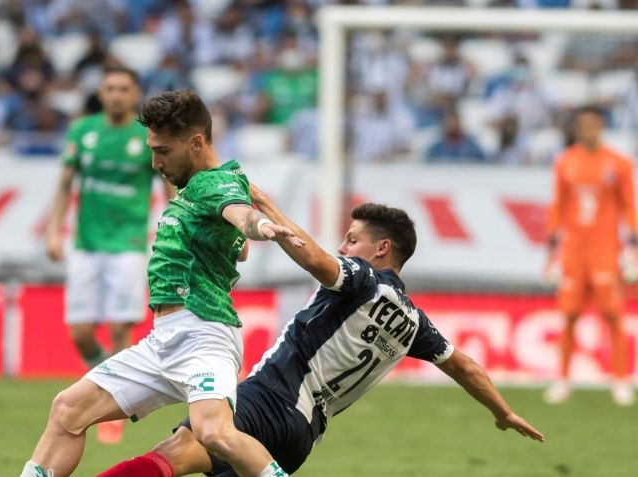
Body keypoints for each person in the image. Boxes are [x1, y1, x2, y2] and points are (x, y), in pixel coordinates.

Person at [97, 191, 545, 477]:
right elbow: (465, 366)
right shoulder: (413, 322)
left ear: (381, 249)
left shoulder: (363, 281)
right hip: (301, 437)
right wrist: (503, 412)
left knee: (174, 452)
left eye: (352, 239)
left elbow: (313, 258)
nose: (342, 248)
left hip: (269, 398)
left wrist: (264, 205)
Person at [19, 89, 304, 477]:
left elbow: (241, 215)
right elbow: (238, 247)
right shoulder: (202, 187)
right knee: (68, 409)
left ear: (196, 142)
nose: (155, 162)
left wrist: (260, 225)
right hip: (164, 340)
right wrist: (231, 238)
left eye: (163, 151)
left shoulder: (215, 182)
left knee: (214, 433)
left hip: (204, 335)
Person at [44, 65, 172, 444]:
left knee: (119, 327)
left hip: (128, 245)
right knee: (81, 333)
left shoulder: (145, 137)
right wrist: (53, 231)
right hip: (85, 244)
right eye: (110, 88)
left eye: (123, 89)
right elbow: (64, 185)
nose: (116, 95)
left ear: (135, 94)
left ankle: (110, 410)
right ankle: (105, 383)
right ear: (101, 93)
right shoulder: (83, 131)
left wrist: (173, 230)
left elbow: (167, 189)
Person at [543, 105, 637, 406]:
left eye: (591, 125)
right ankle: (562, 379)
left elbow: (628, 204)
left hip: (605, 250)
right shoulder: (566, 162)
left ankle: (620, 380)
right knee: (569, 315)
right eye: (581, 126)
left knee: (613, 315)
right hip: (573, 252)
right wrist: (551, 248)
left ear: (601, 126)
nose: (586, 131)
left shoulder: (619, 163)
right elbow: (558, 205)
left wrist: (633, 244)